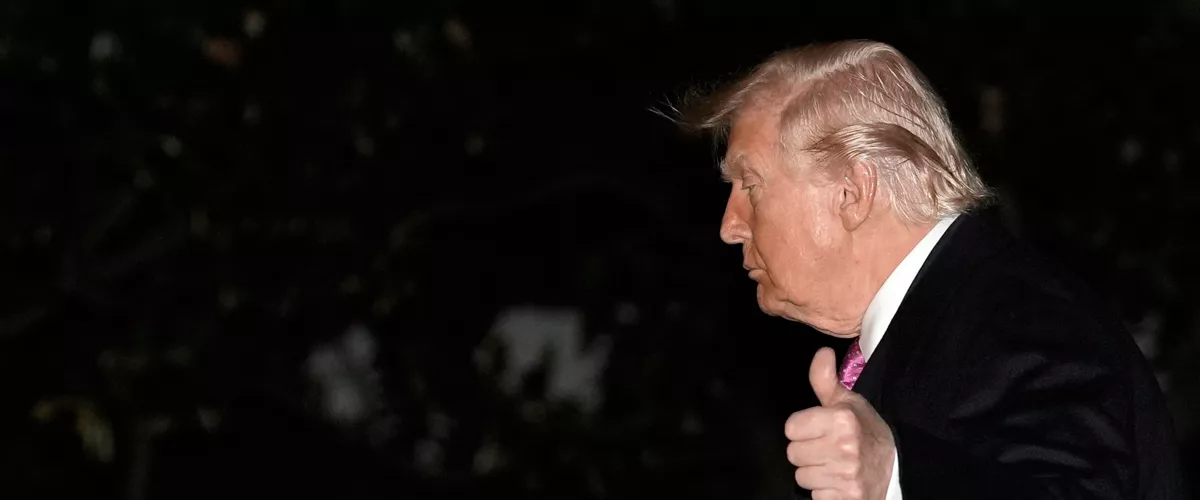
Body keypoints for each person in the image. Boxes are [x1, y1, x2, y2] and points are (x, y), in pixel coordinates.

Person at [679, 40, 1185, 500]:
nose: (730, 225)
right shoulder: (940, 325)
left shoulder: (1017, 313)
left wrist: (895, 474)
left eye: (749, 184)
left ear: (853, 193)